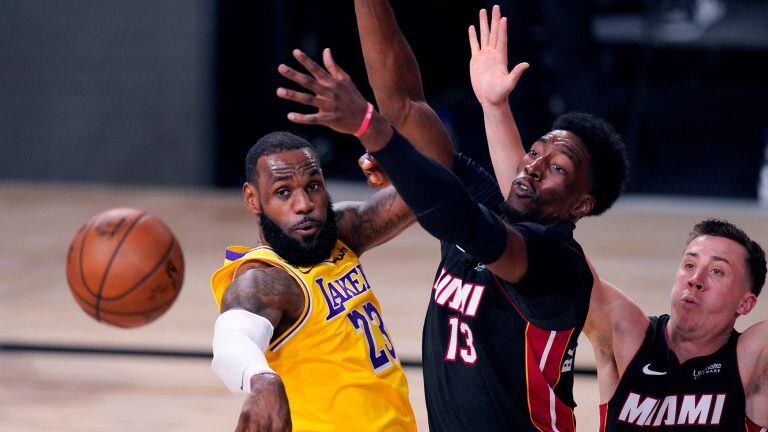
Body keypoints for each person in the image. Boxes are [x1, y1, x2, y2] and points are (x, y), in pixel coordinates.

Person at [278, 8, 628, 430]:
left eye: (558, 169)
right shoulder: (492, 205)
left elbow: (461, 220)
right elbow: (407, 107)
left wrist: (373, 130)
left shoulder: (557, 260)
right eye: (536, 152)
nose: (533, 166)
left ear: (581, 205)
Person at [208, 122, 450, 430]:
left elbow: (435, 177)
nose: (304, 205)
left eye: (313, 186)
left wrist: (402, 165)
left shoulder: (340, 234)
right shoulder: (264, 278)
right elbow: (232, 338)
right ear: (252, 199)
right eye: (283, 193)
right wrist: (261, 378)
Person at [585, 219, 768, 429]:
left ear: (745, 304)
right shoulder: (630, 336)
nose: (695, 279)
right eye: (690, 265)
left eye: (717, 271)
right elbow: (562, 262)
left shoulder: (751, 359)